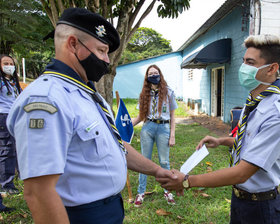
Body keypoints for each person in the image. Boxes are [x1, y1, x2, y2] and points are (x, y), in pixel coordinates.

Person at [6, 8, 176, 224]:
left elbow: (116, 145)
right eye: (101, 50)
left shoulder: (86, 92)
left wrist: (158, 171)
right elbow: (39, 192)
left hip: (109, 209)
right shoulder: (46, 100)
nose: (106, 60)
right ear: (73, 44)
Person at [156, 34, 280, 224]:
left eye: (250, 62)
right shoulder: (255, 100)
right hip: (240, 199)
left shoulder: (275, 112)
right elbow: (250, 142)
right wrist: (222, 141)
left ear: (272, 68)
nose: (243, 68)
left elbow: (242, 172)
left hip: (262, 206)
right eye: (243, 61)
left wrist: (187, 180)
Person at [132, 65, 178, 207]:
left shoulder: (168, 92)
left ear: (160, 74)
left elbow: (172, 115)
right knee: (144, 161)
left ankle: (167, 190)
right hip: (148, 128)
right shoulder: (144, 94)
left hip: (163, 128)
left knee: (164, 162)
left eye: (155, 73)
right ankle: (141, 192)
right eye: (150, 73)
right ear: (147, 77)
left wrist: (172, 135)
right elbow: (141, 116)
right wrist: (126, 126)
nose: (153, 75)